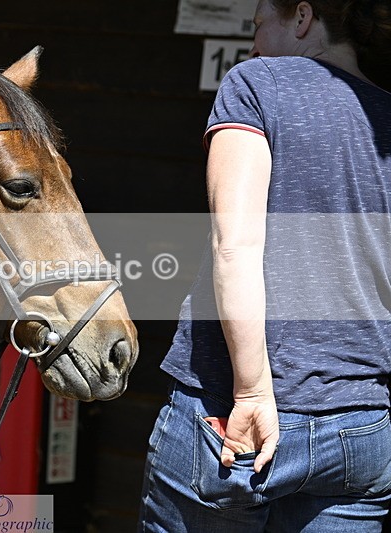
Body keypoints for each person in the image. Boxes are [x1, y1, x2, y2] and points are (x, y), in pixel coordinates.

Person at [139, 0, 391, 531]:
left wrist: (252, 391)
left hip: (234, 420)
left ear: (302, 17)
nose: (253, 44)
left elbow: (236, 243)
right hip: (360, 428)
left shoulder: (256, 84)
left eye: (257, 25)